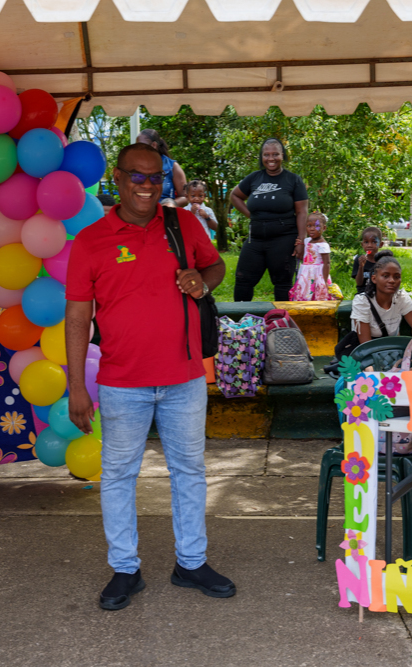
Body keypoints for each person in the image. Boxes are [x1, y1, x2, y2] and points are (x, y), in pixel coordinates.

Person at [64, 143, 231, 611]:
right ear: (116, 180)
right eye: (136, 176)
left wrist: (203, 279)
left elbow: (214, 266)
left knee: (189, 471)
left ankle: (191, 563)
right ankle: (125, 569)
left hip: (183, 376)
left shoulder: (182, 224)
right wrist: (78, 385)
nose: (146, 185)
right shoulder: (92, 240)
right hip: (122, 382)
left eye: (155, 176)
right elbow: (77, 318)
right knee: (118, 475)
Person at [229, 138, 309, 301]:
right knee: (243, 280)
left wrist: (301, 241)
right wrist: (251, 216)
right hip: (256, 239)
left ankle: (282, 323)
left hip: (283, 238)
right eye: (266, 155)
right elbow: (234, 195)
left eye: (275, 154)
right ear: (261, 157)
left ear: (283, 156)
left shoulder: (293, 180)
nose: (271, 159)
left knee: (282, 283)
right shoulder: (254, 178)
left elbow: (302, 212)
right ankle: (241, 321)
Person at [350, 251, 412, 342]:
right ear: (374, 279)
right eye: (385, 276)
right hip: (366, 351)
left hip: (391, 348)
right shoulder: (362, 301)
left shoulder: (401, 297)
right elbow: (366, 344)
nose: (392, 281)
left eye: (397, 277)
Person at [136, 129, 187, 206]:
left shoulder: (172, 166)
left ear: (154, 145)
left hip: (165, 215)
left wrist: (170, 204)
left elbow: (185, 197)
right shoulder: (134, 167)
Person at [288, 213, 331, 301]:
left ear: (324, 228)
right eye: (309, 226)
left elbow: (327, 263)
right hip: (305, 273)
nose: (312, 229)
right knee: (304, 292)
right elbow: (305, 256)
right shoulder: (307, 240)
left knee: (317, 294)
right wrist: (299, 244)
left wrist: (325, 281)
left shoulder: (323, 245)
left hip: (318, 274)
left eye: (317, 226)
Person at [352, 226, 384, 292]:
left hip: (380, 294)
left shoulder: (384, 261)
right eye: (366, 242)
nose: (369, 245)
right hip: (363, 294)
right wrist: (361, 266)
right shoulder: (359, 260)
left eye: (374, 242)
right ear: (362, 244)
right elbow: (359, 283)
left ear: (381, 244)